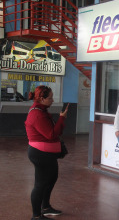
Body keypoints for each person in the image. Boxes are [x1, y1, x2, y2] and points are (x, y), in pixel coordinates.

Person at [25, 85, 69, 220]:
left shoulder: (42, 111)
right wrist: (62, 118)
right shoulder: (37, 114)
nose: (53, 100)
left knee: (51, 179)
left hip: (47, 154)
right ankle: (36, 216)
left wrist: (61, 119)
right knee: (40, 184)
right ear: (42, 99)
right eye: (50, 98)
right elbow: (51, 134)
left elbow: (55, 132)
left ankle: (46, 207)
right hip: (40, 154)